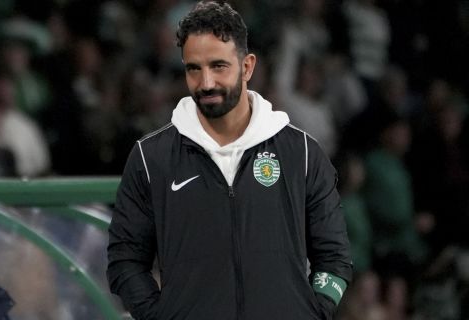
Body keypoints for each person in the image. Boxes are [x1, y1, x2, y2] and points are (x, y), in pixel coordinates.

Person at [106, 2, 352, 320]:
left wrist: (315, 310)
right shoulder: (150, 157)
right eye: (194, 68)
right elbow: (125, 260)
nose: (206, 82)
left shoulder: (302, 153)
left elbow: (334, 256)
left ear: (247, 67)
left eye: (218, 66)